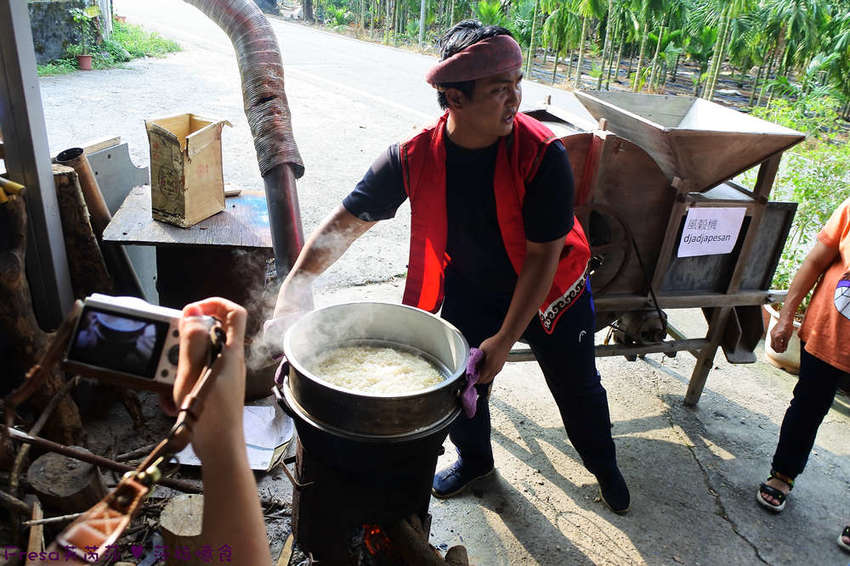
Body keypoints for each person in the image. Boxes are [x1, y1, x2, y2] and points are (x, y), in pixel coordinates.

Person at [272, 20, 630, 513]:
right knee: (459, 386)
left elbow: (543, 256)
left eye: (517, 83)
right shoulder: (412, 156)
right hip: (474, 288)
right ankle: (476, 462)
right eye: (500, 89)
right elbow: (345, 225)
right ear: (455, 98)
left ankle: (604, 467)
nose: (515, 99)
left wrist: (505, 339)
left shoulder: (543, 154)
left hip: (552, 292)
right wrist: (294, 287)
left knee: (578, 390)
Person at [757, 197, 850, 552]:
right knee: (807, 408)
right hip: (829, 334)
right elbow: (814, 261)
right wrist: (785, 316)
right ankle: (782, 475)